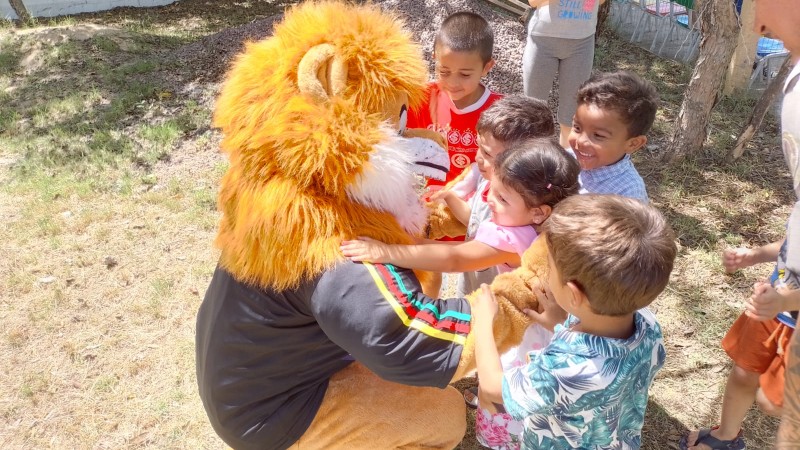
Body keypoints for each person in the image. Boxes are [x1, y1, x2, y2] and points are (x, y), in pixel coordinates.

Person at [473, 194, 676, 449]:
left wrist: (483, 323)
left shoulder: (564, 369)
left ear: (573, 294)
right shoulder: (648, 324)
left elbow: (493, 387)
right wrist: (560, 322)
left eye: (549, 266)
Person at [684, 1, 800, 449]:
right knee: (744, 369)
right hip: (778, 290)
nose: (756, 19)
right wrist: (757, 255)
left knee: (777, 402)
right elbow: (794, 234)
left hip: (786, 298)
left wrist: (788, 299)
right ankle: (725, 437)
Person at [407, 10, 503, 297]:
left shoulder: (499, 111)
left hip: (475, 212)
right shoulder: (423, 98)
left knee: (475, 282)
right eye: (444, 71)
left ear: (487, 67)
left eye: (465, 74)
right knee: (427, 271)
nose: (452, 82)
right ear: (434, 60)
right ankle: (428, 307)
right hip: (431, 209)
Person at [522, 0, 605, 148]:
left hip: (582, 42)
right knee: (532, 112)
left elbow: (600, 2)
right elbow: (533, 2)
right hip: (543, 39)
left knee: (571, 118)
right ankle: (531, 157)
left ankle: (564, 160)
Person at [568, 70, 657, 203]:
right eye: (577, 128)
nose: (580, 141)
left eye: (598, 135)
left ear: (633, 144)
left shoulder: (628, 195)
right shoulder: (567, 158)